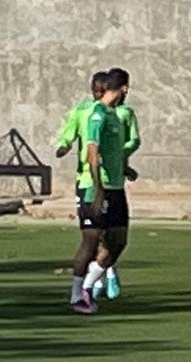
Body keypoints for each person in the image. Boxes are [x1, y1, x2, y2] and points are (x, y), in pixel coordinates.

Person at [67, 73, 129, 314]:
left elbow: (112, 152)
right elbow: (93, 151)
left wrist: (125, 168)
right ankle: (76, 296)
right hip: (94, 187)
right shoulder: (97, 114)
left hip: (116, 187)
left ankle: (89, 285)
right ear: (124, 88)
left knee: (118, 241)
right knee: (90, 241)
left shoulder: (114, 115)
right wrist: (97, 188)